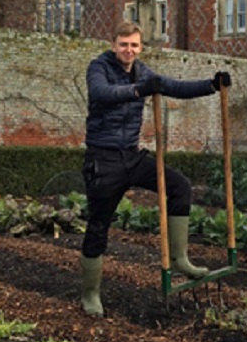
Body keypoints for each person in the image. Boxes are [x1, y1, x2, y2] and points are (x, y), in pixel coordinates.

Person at [80, 21, 231, 316]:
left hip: (132, 157)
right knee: (98, 226)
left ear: (140, 47)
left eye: (134, 45)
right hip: (104, 160)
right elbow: (102, 93)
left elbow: (172, 86)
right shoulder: (98, 67)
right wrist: (139, 91)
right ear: (113, 45)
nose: (129, 50)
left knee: (180, 186)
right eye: (124, 44)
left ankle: (180, 259)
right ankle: (90, 294)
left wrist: (211, 86)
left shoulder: (141, 70)